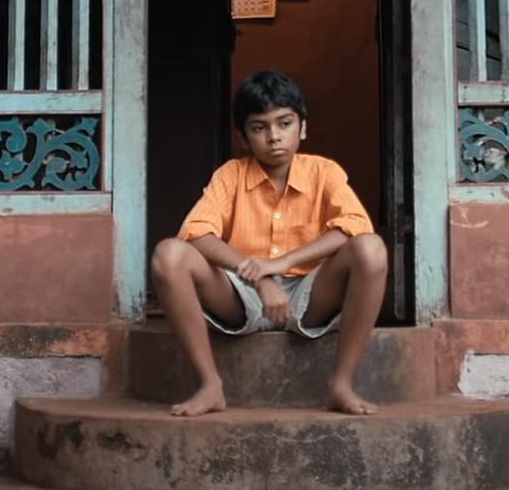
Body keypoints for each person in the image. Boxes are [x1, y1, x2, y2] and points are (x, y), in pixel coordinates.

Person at [151, 69, 388, 417]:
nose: (274, 137)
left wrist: (282, 264)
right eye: (259, 127)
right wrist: (261, 278)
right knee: (168, 254)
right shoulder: (230, 175)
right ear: (244, 137)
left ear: (303, 127)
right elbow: (196, 232)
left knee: (371, 248)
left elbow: (355, 225)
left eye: (285, 123)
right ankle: (210, 385)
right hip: (240, 294)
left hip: (311, 293)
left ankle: (341, 385)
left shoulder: (325, 172)